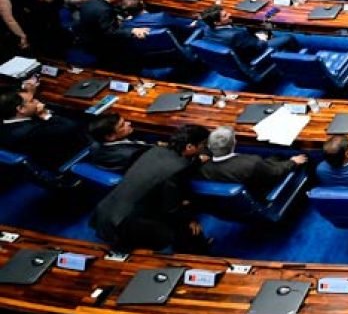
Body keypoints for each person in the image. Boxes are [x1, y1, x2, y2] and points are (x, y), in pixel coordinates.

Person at [90, 125, 211, 253]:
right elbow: (171, 208)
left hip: (107, 209)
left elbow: (176, 166)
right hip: (127, 222)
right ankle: (193, 254)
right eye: (203, 145)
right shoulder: (177, 169)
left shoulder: (155, 150)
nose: (205, 147)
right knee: (183, 225)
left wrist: (197, 161)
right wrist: (190, 220)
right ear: (189, 147)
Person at [198, 126, 307, 200]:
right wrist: (292, 162)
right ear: (234, 143)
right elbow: (275, 172)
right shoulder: (251, 163)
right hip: (260, 190)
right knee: (288, 158)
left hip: (242, 193)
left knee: (276, 157)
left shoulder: (204, 168)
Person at [0, 88, 87, 169]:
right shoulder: (30, 132)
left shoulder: (7, 123)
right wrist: (44, 114)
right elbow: (71, 126)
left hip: (46, 151)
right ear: (21, 109)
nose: (37, 101)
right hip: (67, 158)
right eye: (32, 100)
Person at [198, 6, 299, 61]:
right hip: (252, 53)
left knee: (252, 28)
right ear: (217, 22)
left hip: (238, 47)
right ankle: (295, 58)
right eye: (225, 16)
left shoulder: (207, 28)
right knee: (288, 38)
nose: (230, 15)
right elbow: (259, 46)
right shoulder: (236, 35)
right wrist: (262, 38)